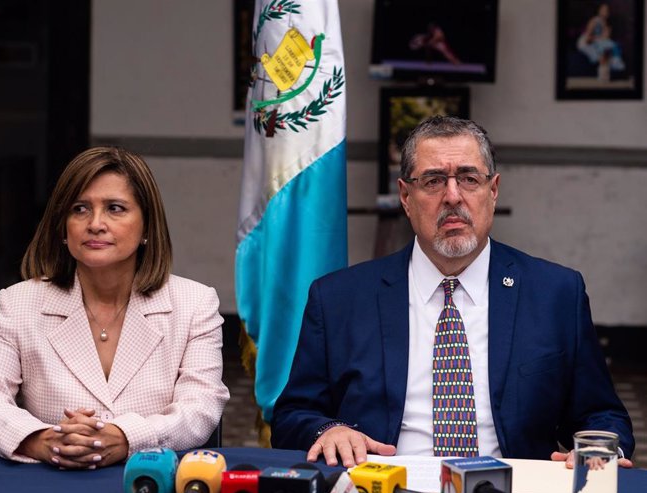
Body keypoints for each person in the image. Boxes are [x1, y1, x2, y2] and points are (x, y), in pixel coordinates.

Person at [270, 116, 634, 469]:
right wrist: (328, 430)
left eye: (469, 178)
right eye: (432, 181)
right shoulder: (339, 299)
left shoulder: (555, 293)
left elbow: (600, 414)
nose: (453, 196)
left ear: (493, 191)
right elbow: (292, 416)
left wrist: (600, 449)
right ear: (405, 196)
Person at [0, 146, 229, 469]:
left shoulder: (195, 304)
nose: (96, 223)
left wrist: (126, 437)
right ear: (63, 227)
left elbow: (202, 408)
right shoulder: (18, 304)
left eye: (115, 208)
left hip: (151, 483)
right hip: (51, 488)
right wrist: (42, 440)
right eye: (80, 209)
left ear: (147, 227)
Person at [576, 3, 625, 80]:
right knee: (604, 48)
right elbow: (588, 38)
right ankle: (604, 73)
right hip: (585, 43)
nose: (606, 12)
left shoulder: (607, 25)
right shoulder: (594, 21)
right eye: (604, 10)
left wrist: (604, 37)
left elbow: (606, 38)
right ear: (599, 11)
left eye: (608, 11)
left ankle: (607, 71)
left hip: (598, 42)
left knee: (611, 46)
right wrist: (600, 39)